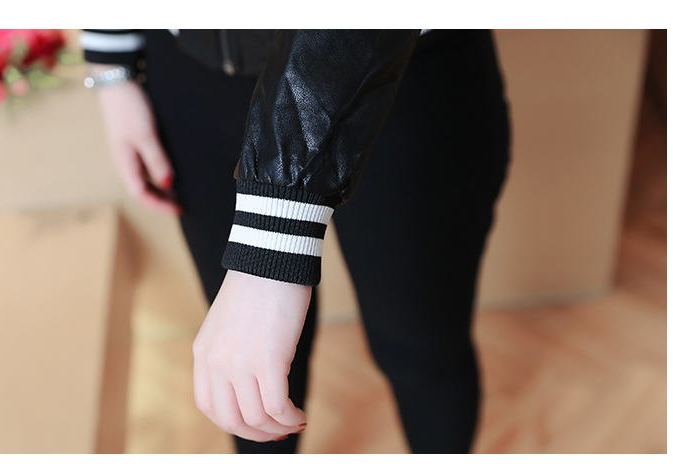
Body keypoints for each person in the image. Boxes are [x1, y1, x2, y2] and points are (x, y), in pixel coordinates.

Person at [82, 29, 510, 454]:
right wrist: (111, 61)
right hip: (193, 70)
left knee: (420, 345)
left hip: (397, 66)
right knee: (247, 369)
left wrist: (270, 245)